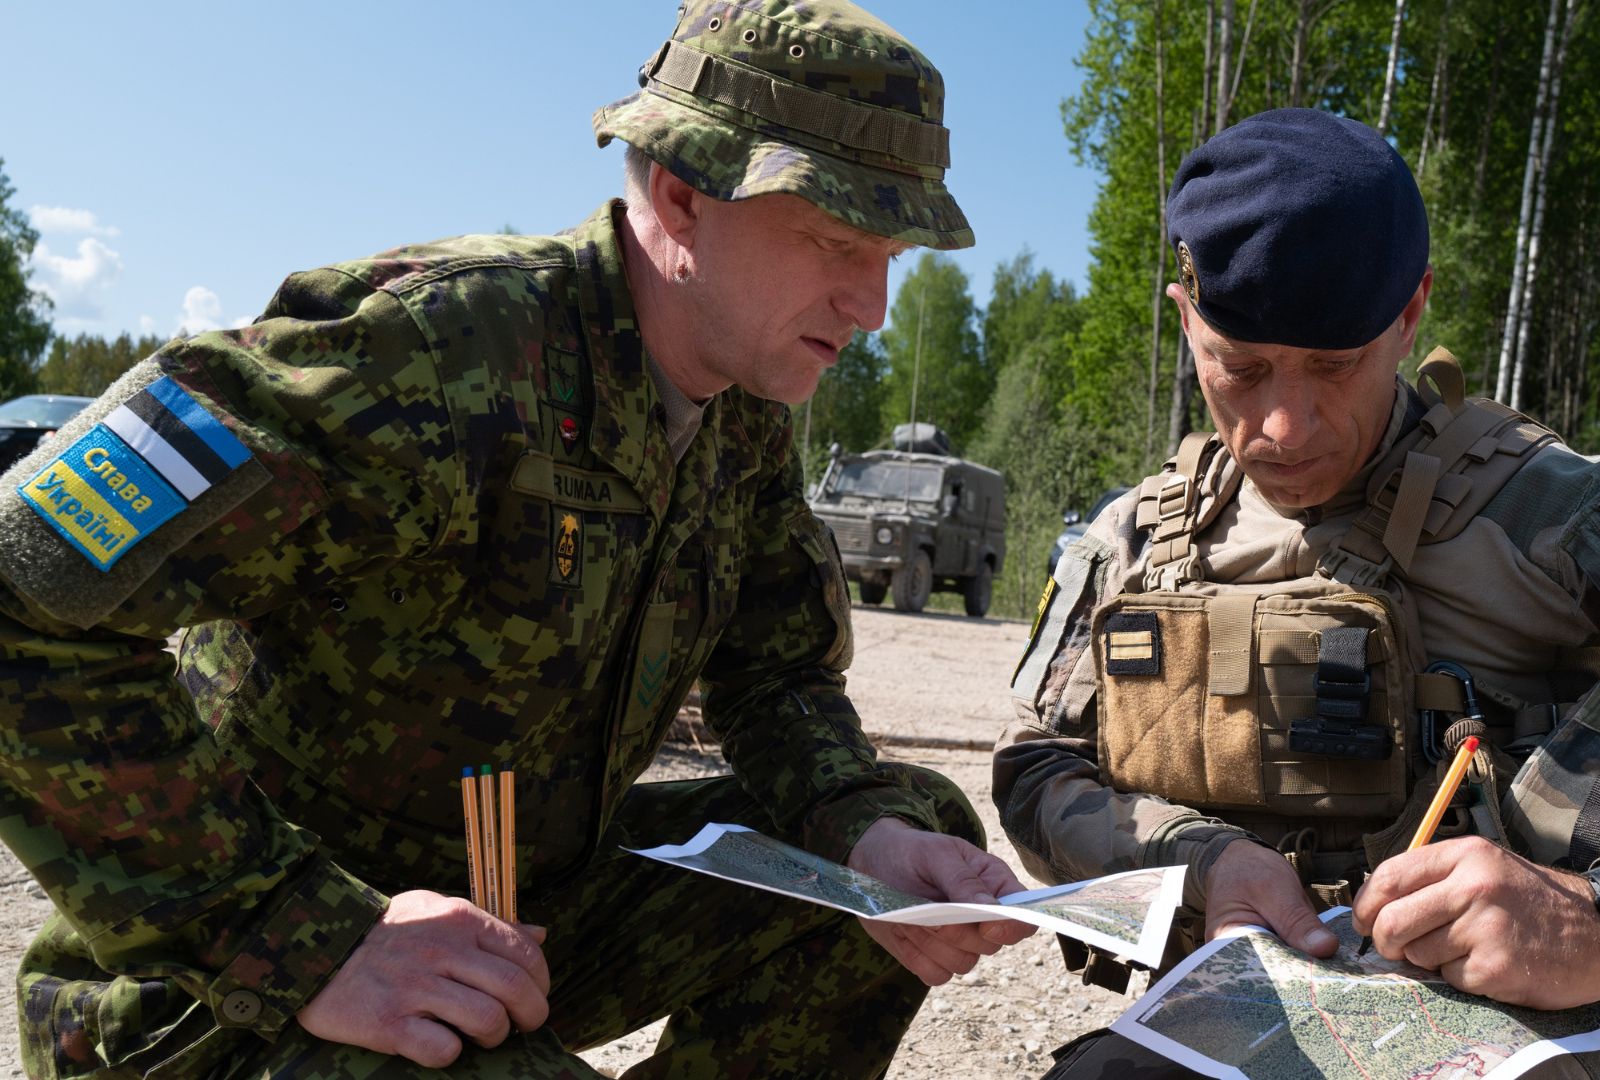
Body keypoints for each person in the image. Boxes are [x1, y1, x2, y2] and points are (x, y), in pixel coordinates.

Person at [0, 3, 1035, 1077]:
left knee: (900, 843)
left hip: (515, 919)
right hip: (241, 986)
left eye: (891, 255)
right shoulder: (434, 357)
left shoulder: (741, 421)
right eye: (833, 241)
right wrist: (302, 930)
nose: (870, 306)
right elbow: (18, 584)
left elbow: (775, 681)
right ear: (681, 195)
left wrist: (857, 830)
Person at [995, 108, 1600, 1079]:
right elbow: (1038, 763)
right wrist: (1206, 863)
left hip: (1522, 1032)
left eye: (1333, 366)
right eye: (1241, 364)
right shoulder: (1142, 536)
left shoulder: (1551, 509)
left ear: (1410, 313)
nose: (1283, 423)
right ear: (1186, 314)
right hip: (1230, 1026)